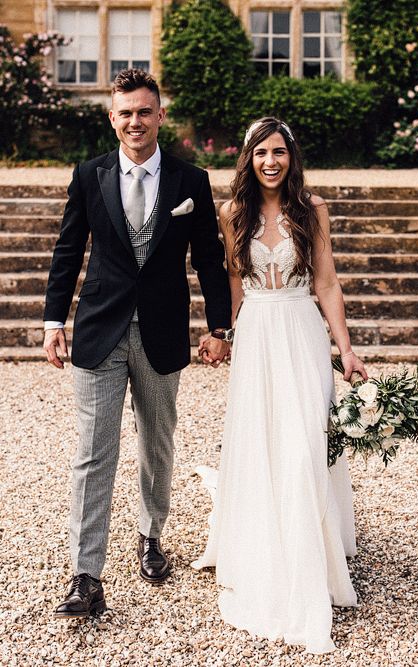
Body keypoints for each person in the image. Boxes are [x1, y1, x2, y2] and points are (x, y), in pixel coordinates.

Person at [42, 68, 232, 619]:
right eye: (124, 113)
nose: (134, 121)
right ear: (112, 118)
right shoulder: (89, 174)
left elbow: (211, 261)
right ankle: (85, 574)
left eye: (144, 111)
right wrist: (55, 321)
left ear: (159, 115)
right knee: (93, 453)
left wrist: (219, 327)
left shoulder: (189, 180)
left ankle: (152, 536)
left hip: (163, 330)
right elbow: (67, 250)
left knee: (157, 444)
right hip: (99, 331)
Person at [191, 117, 367, 653]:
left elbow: (327, 282)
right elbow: (233, 282)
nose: (271, 161)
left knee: (304, 442)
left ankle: (310, 548)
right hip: (257, 338)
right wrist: (221, 333)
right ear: (248, 158)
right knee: (263, 439)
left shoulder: (311, 210)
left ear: (291, 157)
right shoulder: (232, 213)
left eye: (280, 152)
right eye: (261, 152)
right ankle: (265, 540)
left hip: (301, 331)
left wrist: (346, 347)